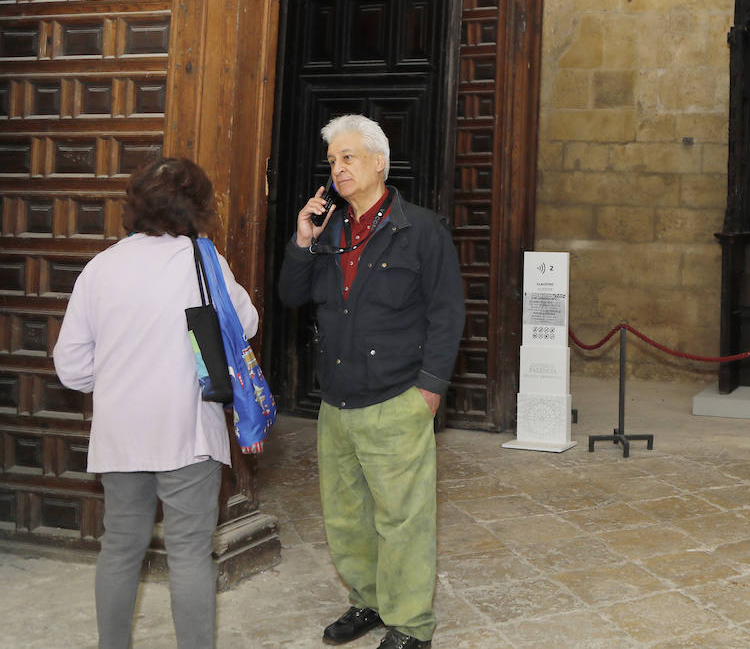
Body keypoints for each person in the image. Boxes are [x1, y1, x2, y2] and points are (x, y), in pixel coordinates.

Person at [54, 157, 259, 649]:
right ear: (199, 208)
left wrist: (116, 379)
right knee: (189, 554)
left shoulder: (101, 267)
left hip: (122, 435)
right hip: (187, 432)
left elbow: (71, 366)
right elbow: (245, 325)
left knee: (120, 550)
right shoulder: (202, 262)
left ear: (135, 205)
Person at [279, 115, 465, 649]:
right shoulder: (328, 230)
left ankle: (410, 625)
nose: (338, 168)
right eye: (333, 160)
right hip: (336, 401)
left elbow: (448, 312)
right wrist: (301, 239)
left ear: (379, 162)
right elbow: (292, 296)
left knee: (403, 519)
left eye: (349, 157)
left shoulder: (422, 229)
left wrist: (429, 389)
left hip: (397, 397)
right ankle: (371, 601)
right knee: (346, 515)